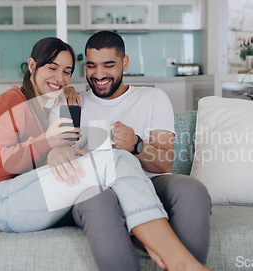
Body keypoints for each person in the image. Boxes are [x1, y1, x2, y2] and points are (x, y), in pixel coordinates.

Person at [0, 38, 206, 271]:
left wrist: (55, 144)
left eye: (67, 71)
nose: (59, 78)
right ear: (32, 66)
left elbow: (41, 157)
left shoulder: (47, 108)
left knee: (106, 150)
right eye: (52, 68)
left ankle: (162, 246)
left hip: (26, 200)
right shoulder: (10, 99)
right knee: (117, 159)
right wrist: (47, 143)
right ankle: (175, 257)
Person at [70, 31, 213, 270]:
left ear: (125, 63)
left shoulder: (153, 97)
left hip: (149, 185)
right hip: (99, 191)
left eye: (109, 65)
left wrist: (137, 145)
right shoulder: (75, 103)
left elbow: (165, 163)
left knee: (192, 188)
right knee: (100, 199)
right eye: (91, 66)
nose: (99, 74)